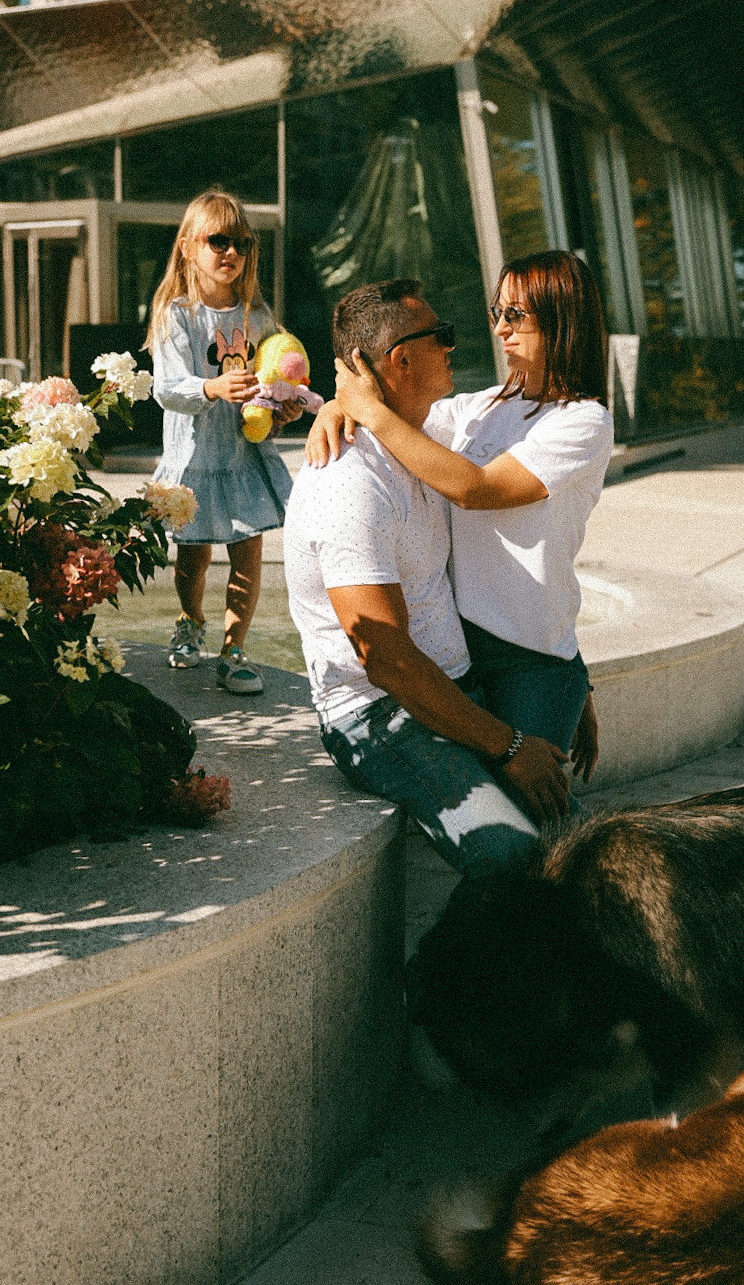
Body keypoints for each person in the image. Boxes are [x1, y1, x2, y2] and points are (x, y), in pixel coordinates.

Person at [284, 278, 572, 879]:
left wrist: (344, 402)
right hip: (380, 715)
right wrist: (509, 745)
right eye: (440, 336)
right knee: (515, 857)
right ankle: (435, 975)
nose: (454, 346)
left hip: (454, 693)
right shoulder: (348, 482)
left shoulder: (423, 438)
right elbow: (384, 657)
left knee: (579, 841)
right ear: (400, 359)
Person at [306, 250, 613, 782]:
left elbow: (475, 488)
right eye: (497, 312)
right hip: (462, 655)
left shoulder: (583, 422)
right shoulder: (479, 408)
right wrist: (341, 405)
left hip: (531, 662)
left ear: (561, 316)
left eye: (515, 315)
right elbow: (401, 404)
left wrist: (368, 410)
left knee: (531, 823)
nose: (498, 328)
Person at [147, 188, 302, 694]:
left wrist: (284, 407)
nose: (231, 252)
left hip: (243, 455)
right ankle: (190, 620)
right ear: (190, 246)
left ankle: (235, 650)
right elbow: (166, 388)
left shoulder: (257, 316)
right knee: (192, 555)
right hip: (194, 458)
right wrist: (210, 387)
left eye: (242, 243)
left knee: (248, 552)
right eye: (219, 241)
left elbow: (271, 384)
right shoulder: (178, 314)